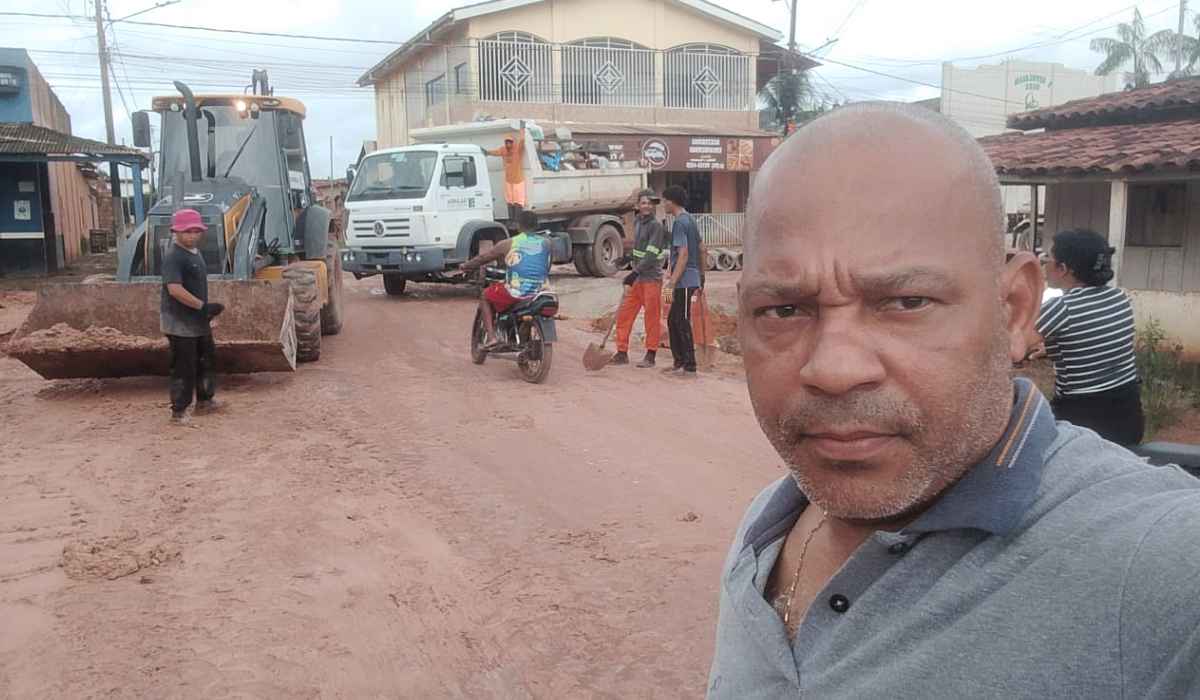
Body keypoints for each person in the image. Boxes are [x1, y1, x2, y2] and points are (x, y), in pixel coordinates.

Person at [708, 103, 1200, 697]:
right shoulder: (768, 523)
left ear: (1015, 309)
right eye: (783, 310)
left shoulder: (1153, 566)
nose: (834, 370)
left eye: (906, 302)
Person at [1032, 229, 1144, 446]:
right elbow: (1100, 339)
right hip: (1128, 417)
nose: (1044, 264)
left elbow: (1015, 342)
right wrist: (1051, 349)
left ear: (1063, 269)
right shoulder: (1119, 297)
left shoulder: (1061, 308)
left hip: (1082, 423)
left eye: (1047, 259)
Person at [160, 208, 224, 424]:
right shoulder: (174, 257)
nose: (192, 236)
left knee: (206, 360)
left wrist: (207, 316)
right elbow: (174, 290)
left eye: (196, 231)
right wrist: (203, 307)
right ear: (176, 232)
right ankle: (179, 412)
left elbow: (197, 288)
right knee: (184, 367)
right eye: (187, 232)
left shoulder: (196, 253)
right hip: (179, 324)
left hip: (198, 321)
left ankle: (205, 401)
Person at [461, 210, 550, 349]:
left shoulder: (508, 244)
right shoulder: (547, 243)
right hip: (541, 291)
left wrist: (466, 266)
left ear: (519, 226)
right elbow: (544, 265)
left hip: (517, 291)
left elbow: (484, 258)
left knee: (485, 295)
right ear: (536, 225)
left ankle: (491, 338)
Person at [611, 189, 669, 368]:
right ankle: (622, 352)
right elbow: (640, 249)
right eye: (644, 203)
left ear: (654, 206)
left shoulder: (656, 226)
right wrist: (628, 258)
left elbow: (651, 255)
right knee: (624, 315)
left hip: (651, 279)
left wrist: (634, 273)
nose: (647, 206)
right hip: (638, 278)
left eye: (650, 203)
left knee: (651, 319)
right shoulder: (637, 222)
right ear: (638, 205)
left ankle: (650, 355)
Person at [661, 185, 702, 376]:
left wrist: (672, 281)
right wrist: (702, 276)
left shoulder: (679, 223)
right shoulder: (691, 220)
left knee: (682, 320)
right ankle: (678, 362)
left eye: (664, 200)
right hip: (686, 278)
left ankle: (690, 366)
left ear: (671, 201)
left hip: (683, 280)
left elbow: (683, 254)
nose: (663, 204)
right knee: (672, 319)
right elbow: (702, 248)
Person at [486, 131, 527, 218]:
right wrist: (487, 152)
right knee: (509, 201)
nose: (508, 144)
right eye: (507, 142)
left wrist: (522, 130)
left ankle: (517, 221)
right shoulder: (503, 150)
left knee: (518, 201)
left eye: (510, 142)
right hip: (508, 181)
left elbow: (522, 141)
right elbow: (495, 152)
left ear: (513, 142)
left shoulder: (517, 150)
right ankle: (511, 220)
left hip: (518, 181)